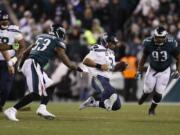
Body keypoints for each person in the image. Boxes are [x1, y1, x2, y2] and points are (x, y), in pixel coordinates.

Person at [4, 24, 82, 121]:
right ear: (59, 33)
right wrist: (80, 69)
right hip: (34, 64)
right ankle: (12, 110)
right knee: (36, 93)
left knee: (50, 85)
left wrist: (20, 65)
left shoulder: (41, 37)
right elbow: (67, 63)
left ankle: (42, 108)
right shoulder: (57, 41)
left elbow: (25, 52)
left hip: (30, 63)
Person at [136, 26, 180, 115]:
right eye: (157, 37)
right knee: (148, 89)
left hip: (165, 70)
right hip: (152, 69)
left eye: (161, 38)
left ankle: (151, 109)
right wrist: (139, 70)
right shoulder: (148, 43)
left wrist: (178, 70)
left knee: (159, 92)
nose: (159, 40)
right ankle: (144, 95)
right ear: (154, 36)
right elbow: (144, 57)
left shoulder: (171, 44)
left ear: (165, 37)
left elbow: (178, 58)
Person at [79, 34, 127, 111]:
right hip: (97, 78)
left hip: (106, 80)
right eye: (112, 43)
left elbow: (110, 68)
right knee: (112, 94)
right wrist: (99, 66)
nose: (114, 45)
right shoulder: (98, 48)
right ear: (106, 42)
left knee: (117, 106)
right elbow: (85, 61)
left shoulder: (112, 53)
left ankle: (93, 103)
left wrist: (120, 67)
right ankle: (105, 102)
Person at [0, 10, 25, 112]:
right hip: (6, 61)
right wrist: (13, 46)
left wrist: (13, 60)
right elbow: (2, 47)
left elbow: (22, 46)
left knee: (6, 88)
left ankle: (0, 105)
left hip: (8, 62)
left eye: (6, 20)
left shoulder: (14, 30)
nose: (5, 22)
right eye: (2, 20)